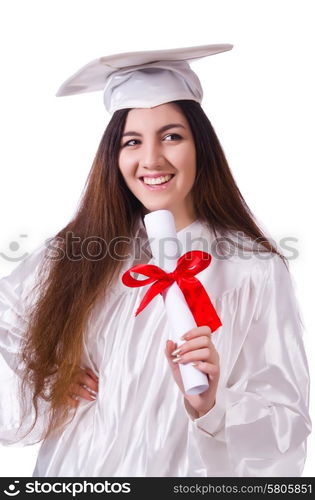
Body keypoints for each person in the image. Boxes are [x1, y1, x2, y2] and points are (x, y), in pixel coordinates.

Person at [0, 44, 311, 477]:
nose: (151, 160)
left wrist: (211, 403)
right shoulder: (81, 252)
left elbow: (287, 425)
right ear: (115, 157)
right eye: (132, 141)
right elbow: (7, 313)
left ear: (200, 146)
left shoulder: (252, 269)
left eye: (171, 136)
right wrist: (50, 370)